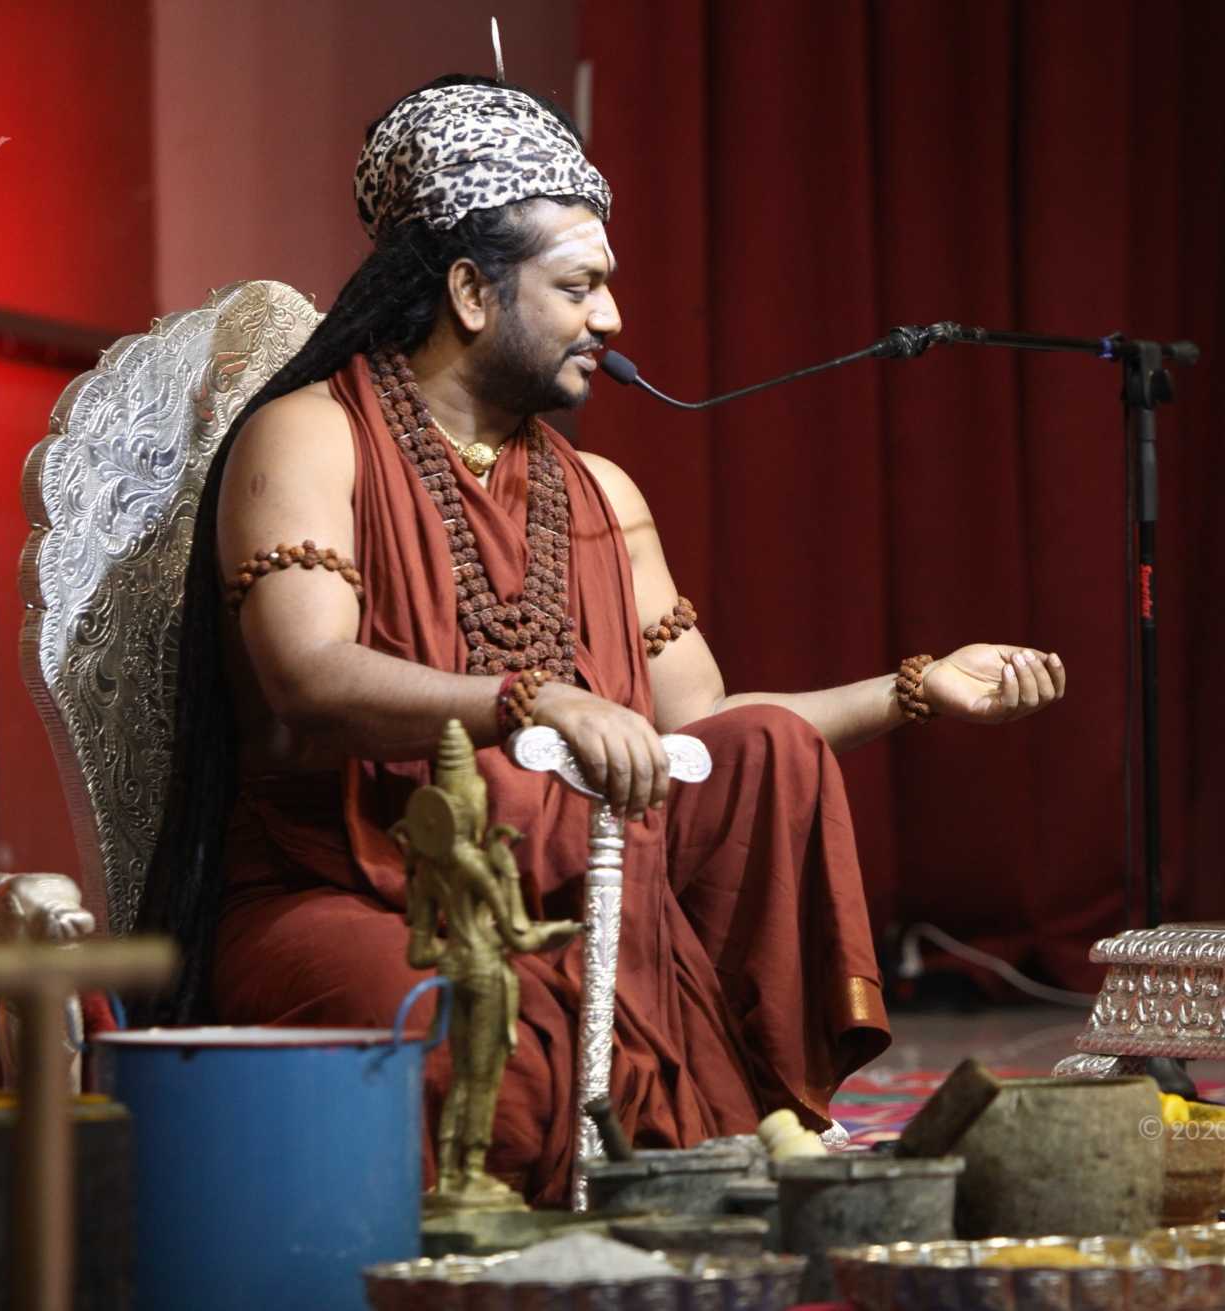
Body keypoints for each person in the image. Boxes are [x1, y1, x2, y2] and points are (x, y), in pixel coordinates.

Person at [135, 74, 1069, 1204]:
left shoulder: (602, 493)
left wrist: (917, 689)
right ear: (471, 292)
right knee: (483, 1043)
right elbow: (307, 677)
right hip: (354, 894)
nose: (613, 318)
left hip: (577, 903)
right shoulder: (310, 435)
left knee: (769, 752)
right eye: (578, 287)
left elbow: (700, 729)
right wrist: (532, 699)